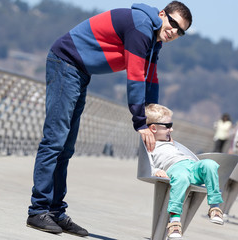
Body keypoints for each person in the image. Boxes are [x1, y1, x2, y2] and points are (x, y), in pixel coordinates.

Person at [27, 1, 192, 236]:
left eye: (181, 30)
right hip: (65, 62)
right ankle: (38, 211)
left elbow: (150, 78)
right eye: (173, 23)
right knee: (54, 141)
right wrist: (140, 122)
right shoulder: (142, 28)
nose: (174, 31)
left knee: (66, 147)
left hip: (79, 71)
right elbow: (135, 75)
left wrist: (154, 119)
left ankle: (55, 212)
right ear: (162, 14)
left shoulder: (155, 41)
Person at [145, 104, 224, 239]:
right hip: (174, 168)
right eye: (168, 125)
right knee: (181, 178)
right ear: (153, 128)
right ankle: (174, 221)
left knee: (210, 165)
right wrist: (156, 170)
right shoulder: (150, 143)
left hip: (191, 164)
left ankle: (215, 206)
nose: (172, 128)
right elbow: (147, 162)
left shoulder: (169, 139)